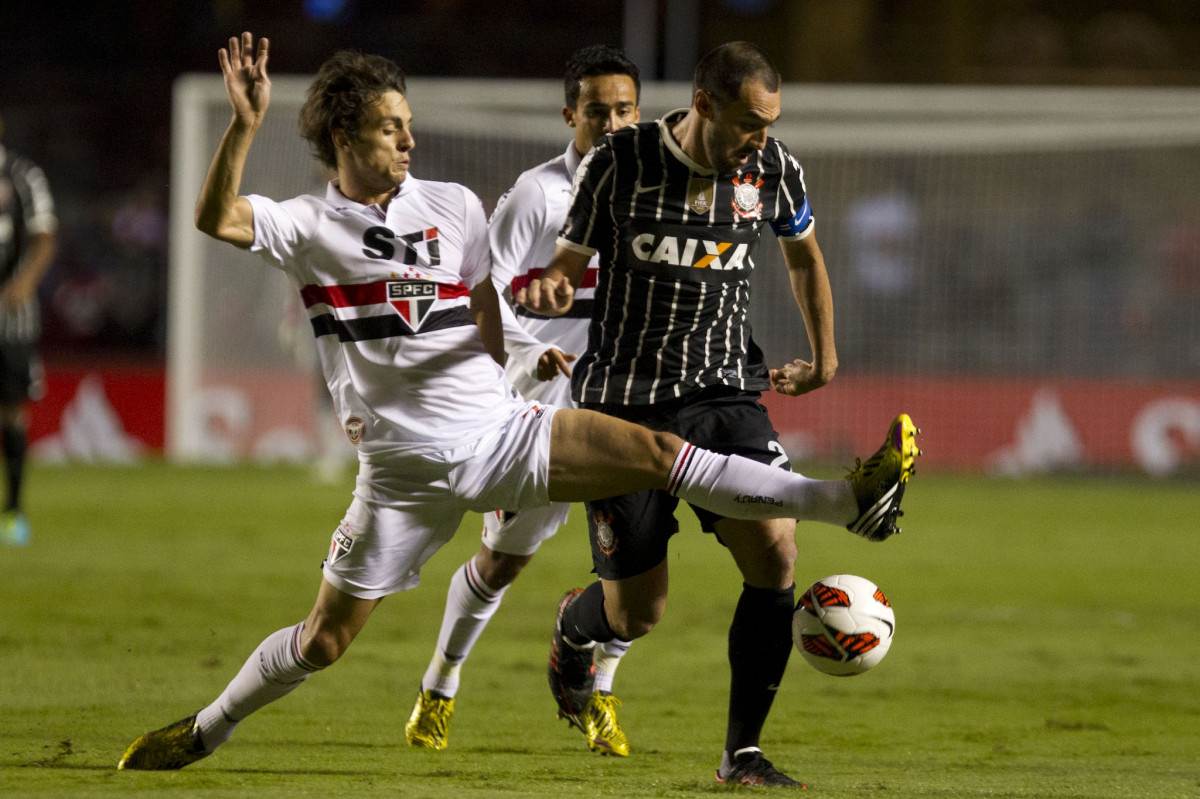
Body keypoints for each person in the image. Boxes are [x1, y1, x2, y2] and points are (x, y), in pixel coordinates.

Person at [117, 33, 917, 773]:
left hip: (501, 433)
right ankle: (207, 727)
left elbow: (488, 311)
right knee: (325, 640)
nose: (409, 139)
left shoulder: (456, 206)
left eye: (408, 123)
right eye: (391, 127)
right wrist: (244, 124)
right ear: (342, 138)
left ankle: (845, 500)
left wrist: (527, 357)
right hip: (402, 470)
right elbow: (216, 216)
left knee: (655, 455)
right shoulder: (306, 224)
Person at [519, 42, 911, 788]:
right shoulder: (618, 160)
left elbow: (804, 256)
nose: (761, 138)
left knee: (775, 552)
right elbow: (568, 267)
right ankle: (578, 625)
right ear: (703, 105)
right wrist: (549, 292)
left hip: (724, 392)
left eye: (771, 123)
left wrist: (825, 357)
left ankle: (743, 754)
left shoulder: (773, 169)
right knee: (637, 614)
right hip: (623, 403)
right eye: (749, 123)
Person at [405, 44, 642, 757]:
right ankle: (438, 687)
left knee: (637, 566)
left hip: (627, 398)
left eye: (624, 109)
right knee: (503, 562)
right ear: (570, 113)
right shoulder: (540, 195)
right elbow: (481, 290)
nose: (610, 122)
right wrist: (527, 349)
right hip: (542, 404)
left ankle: (599, 694)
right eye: (596, 110)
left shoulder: (654, 191)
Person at [0, 113, 57, 546]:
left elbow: (44, 235)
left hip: (11, 318)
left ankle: (13, 512)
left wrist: (25, 281)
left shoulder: (21, 175)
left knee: (13, 410)